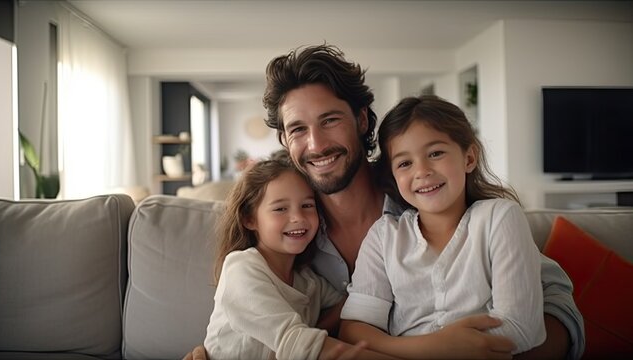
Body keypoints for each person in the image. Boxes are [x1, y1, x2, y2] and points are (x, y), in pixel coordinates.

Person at [184, 44, 584, 360]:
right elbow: (255, 317)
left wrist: (494, 351)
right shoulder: (290, 231)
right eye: (298, 129)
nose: (317, 144)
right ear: (285, 142)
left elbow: (552, 298)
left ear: (361, 120)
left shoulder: (426, 196)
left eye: (329, 120)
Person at [339, 95, 546, 358]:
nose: (422, 171)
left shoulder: (500, 218)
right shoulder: (384, 236)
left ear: (469, 158)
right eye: (404, 163)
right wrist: (434, 347)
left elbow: (522, 328)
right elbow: (354, 330)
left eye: (435, 153)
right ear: (393, 175)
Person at [202, 158, 395, 360]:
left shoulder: (309, 281)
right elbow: (295, 341)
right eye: (280, 209)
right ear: (250, 219)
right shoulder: (241, 268)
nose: (298, 217)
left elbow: (349, 304)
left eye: (307, 205)